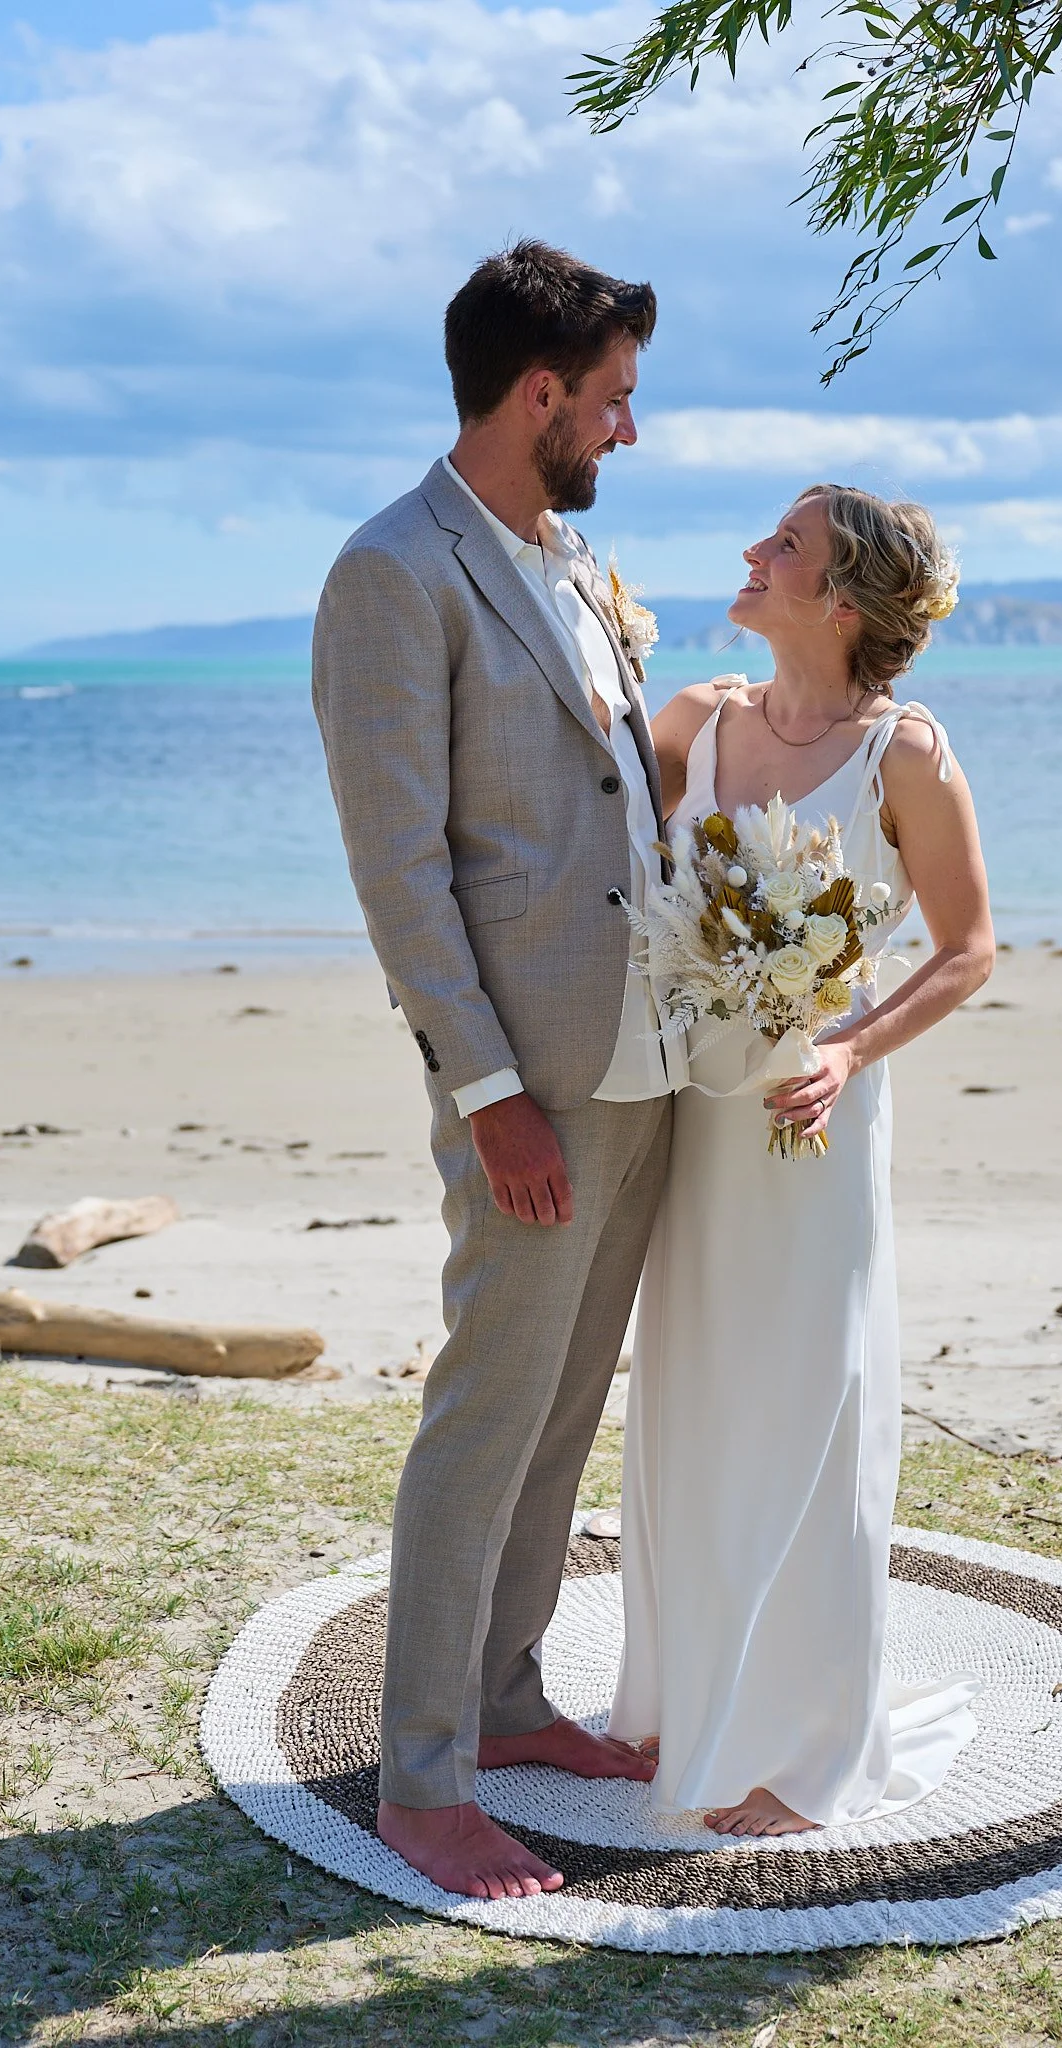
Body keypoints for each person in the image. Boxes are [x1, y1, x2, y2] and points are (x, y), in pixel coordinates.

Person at [312, 240, 681, 1901]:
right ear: (539, 393)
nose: (625, 429)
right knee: (484, 1416)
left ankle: (509, 1696)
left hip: (642, 1064)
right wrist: (487, 1091)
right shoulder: (393, 574)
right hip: (527, 1083)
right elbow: (402, 872)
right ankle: (424, 1777)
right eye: (610, 399)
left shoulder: (579, 567)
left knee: (563, 1406)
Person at [609, 484, 994, 1835]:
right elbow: (594, 855)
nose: (750, 554)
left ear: (841, 604)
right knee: (694, 1392)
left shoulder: (906, 755)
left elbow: (967, 950)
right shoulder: (696, 722)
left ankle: (808, 1747)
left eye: (784, 547)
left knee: (810, 1404)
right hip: (698, 1114)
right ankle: (671, 1701)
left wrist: (848, 1051)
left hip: (813, 1123)